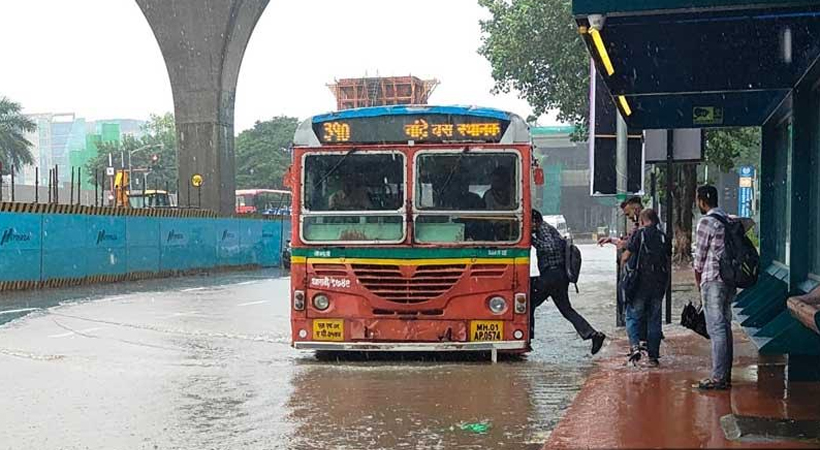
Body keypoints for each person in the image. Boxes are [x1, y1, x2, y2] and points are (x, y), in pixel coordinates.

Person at [530, 209, 606, 355]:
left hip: (552, 275)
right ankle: (592, 334)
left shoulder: (544, 230)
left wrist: (531, 240)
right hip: (559, 276)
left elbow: (550, 248)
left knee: (528, 303)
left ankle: (527, 337)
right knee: (566, 310)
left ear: (535, 221)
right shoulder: (546, 229)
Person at [693, 185, 736, 390]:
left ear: (702, 201)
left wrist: (698, 280)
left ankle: (718, 377)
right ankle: (725, 374)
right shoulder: (728, 220)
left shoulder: (706, 222)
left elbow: (699, 258)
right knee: (725, 327)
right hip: (729, 281)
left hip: (713, 280)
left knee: (716, 328)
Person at [620, 208, 669, 367]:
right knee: (654, 320)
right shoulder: (663, 237)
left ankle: (635, 347)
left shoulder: (640, 235)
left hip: (640, 285)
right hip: (658, 286)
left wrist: (623, 271)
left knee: (632, 316)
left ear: (643, 220)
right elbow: (667, 260)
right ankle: (653, 357)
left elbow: (626, 256)